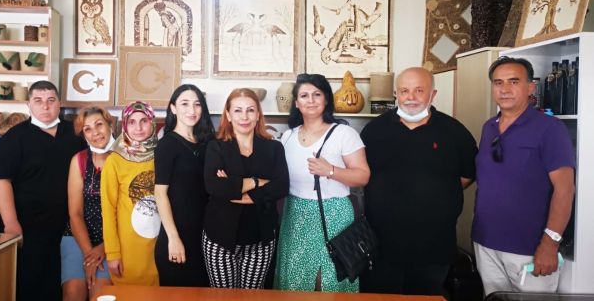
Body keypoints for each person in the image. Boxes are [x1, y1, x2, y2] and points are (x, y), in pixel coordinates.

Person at [359, 67, 477, 296]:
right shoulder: (374, 131)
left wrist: (434, 194)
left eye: (419, 90)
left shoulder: (454, 131)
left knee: (426, 296)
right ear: (396, 94)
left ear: (433, 94)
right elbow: (361, 173)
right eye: (404, 91)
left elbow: (468, 174)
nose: (410, 97)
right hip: (381, 244)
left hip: (434, 244)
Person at [472, 57, 575, 296]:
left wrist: (550, 243)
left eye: (514, 81)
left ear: (530, 87)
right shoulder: (489, 127)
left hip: (529, 247)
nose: (504, 89)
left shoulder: (550, 128)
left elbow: (565, 189)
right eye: (498, 82)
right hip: (486, 242)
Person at [275, 73, 370, 292]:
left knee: (328, 280)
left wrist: (331, 171)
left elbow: (363, 176)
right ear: (296, 103)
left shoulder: (344, 133)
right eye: (304, 95)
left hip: (334, 215)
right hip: (295, 215)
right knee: (295, 279)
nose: (311, 100)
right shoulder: (288, 136)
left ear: (326, 99)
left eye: (317, 94)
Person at [0, 81, 87, 301]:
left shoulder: (75, 134)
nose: (45, 106)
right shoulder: (14, 137)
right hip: (29, 228)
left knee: (63, 285)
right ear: (29, 105)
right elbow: (1, 181)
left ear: (59, 104)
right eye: (38, 101)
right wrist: (11, 223)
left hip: (68, 227)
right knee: (31, 286)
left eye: (51, 100)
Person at [202, 88, 289, 289]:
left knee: (252, 296)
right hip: (220, 239)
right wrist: (259, 182)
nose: (244, 117)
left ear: (258, 114)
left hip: (260, 240)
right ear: (228, 115)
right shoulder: (216, 147)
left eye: (250, 110)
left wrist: (233, 185)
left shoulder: (274, 148)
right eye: (238, 110)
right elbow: (214, 187)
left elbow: (281, 186)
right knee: (223, 297)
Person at [154, 85, 215, 287]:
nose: (192, 110)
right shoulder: (167, 145)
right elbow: (160, 194)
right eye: (185, 104)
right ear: (173, 108)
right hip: (177, 236)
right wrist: (173, 238)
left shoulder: (208, 144)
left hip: (205, 237)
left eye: (197, 104)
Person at [101, 101, 160, 286]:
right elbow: (108, 210)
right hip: (128, 248)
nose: (138, 128)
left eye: (144, 121)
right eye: (132, 122)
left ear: (153, 123)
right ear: (124, 126)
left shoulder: (163, 155)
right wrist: (112, 253)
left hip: (159, 245)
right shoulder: (114, 161)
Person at [61, 107, 115, 301]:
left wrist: (104, 248)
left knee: (100, 293)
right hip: (78, 236)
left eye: (99, 125)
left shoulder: (125, 157)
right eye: (88, 129)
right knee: (72, 292)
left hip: (113, 240)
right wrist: (89, 255)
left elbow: (127, 213)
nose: (95, 133)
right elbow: (75, 213)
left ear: (110, 125)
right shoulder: (79, 160)